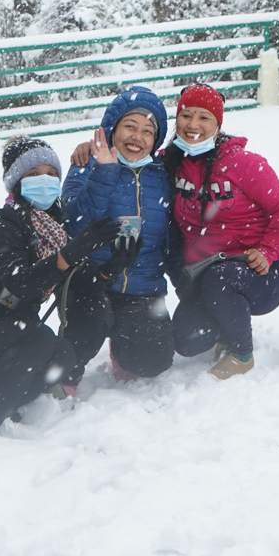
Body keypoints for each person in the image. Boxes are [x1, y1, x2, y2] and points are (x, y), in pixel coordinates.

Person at [0, 136, 127, 438]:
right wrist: (73, 250)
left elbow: (76, 281)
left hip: (3, 339)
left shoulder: (52, 230)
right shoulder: (2, 224)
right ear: (15, 182)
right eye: (33, 175)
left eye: (50, 173)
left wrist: (111, 268)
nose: (44, 181)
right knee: (38, 340)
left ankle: (11, 401)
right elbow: (22, 281)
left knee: (62, 354)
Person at [165, 83, 279, 380]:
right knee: (187, 340)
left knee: (220, 278)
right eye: (187, 115)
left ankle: (241, 353)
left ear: (218, 123)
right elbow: (134, 158)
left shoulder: (243, 163)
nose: (193, 125)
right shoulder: (171, 163)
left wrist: (267, 252)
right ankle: (226, 325)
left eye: (204, 117)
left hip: (261, 273)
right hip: (205, 273)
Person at [58, 85, 177, 384]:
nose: (137, 136)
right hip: (92, 282)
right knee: (91, 322)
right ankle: (66, 374)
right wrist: (105, 173)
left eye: (148, 131)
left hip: (140, 288)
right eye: (130, 126)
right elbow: (74, 222)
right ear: (113, 128)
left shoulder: (163, 174)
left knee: (154, 360)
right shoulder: (86, 165)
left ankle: (122, 346)